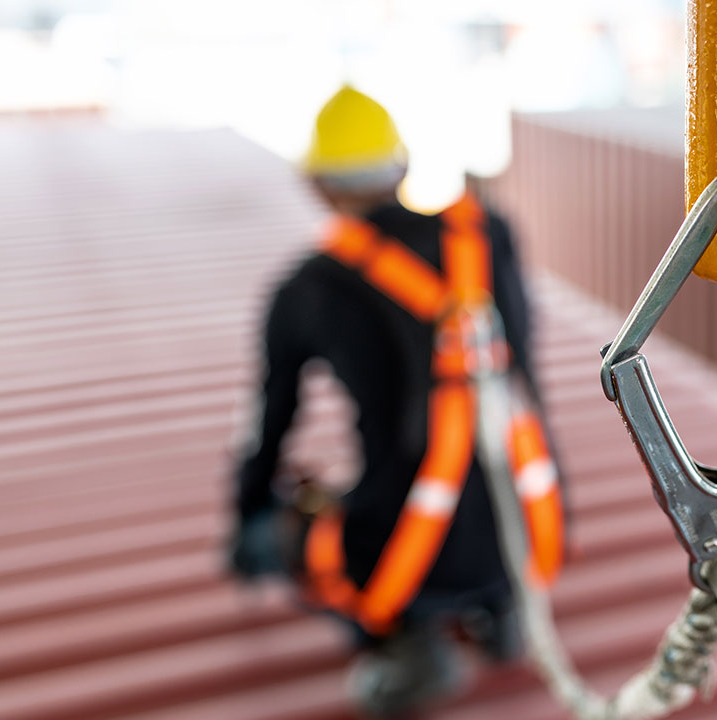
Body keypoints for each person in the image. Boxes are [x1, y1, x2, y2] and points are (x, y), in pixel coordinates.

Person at [228, 85, 564, 717]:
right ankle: (501, 612)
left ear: (319, 187)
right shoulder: (488, 233)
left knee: (274, 534)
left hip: (404, 558)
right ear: (402, 168)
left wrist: (247, 518)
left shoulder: (308, 287)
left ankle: (406, 641)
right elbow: (521, 367)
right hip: (531, 522)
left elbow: (269, 427)